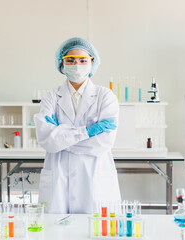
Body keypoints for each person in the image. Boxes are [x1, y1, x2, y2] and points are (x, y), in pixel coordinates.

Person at [34, 37, 121, 214]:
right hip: (59, 179)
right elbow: (46, 140)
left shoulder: (105, 96)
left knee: (95, 230)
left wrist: (61, 136)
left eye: (83, 60)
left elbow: (103, 143)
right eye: (70, 60)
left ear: (92, 62)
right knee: (56, 231)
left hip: (94, 177)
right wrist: (88, 132)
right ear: (62, 63)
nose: (77, 65)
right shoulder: (51, 97)